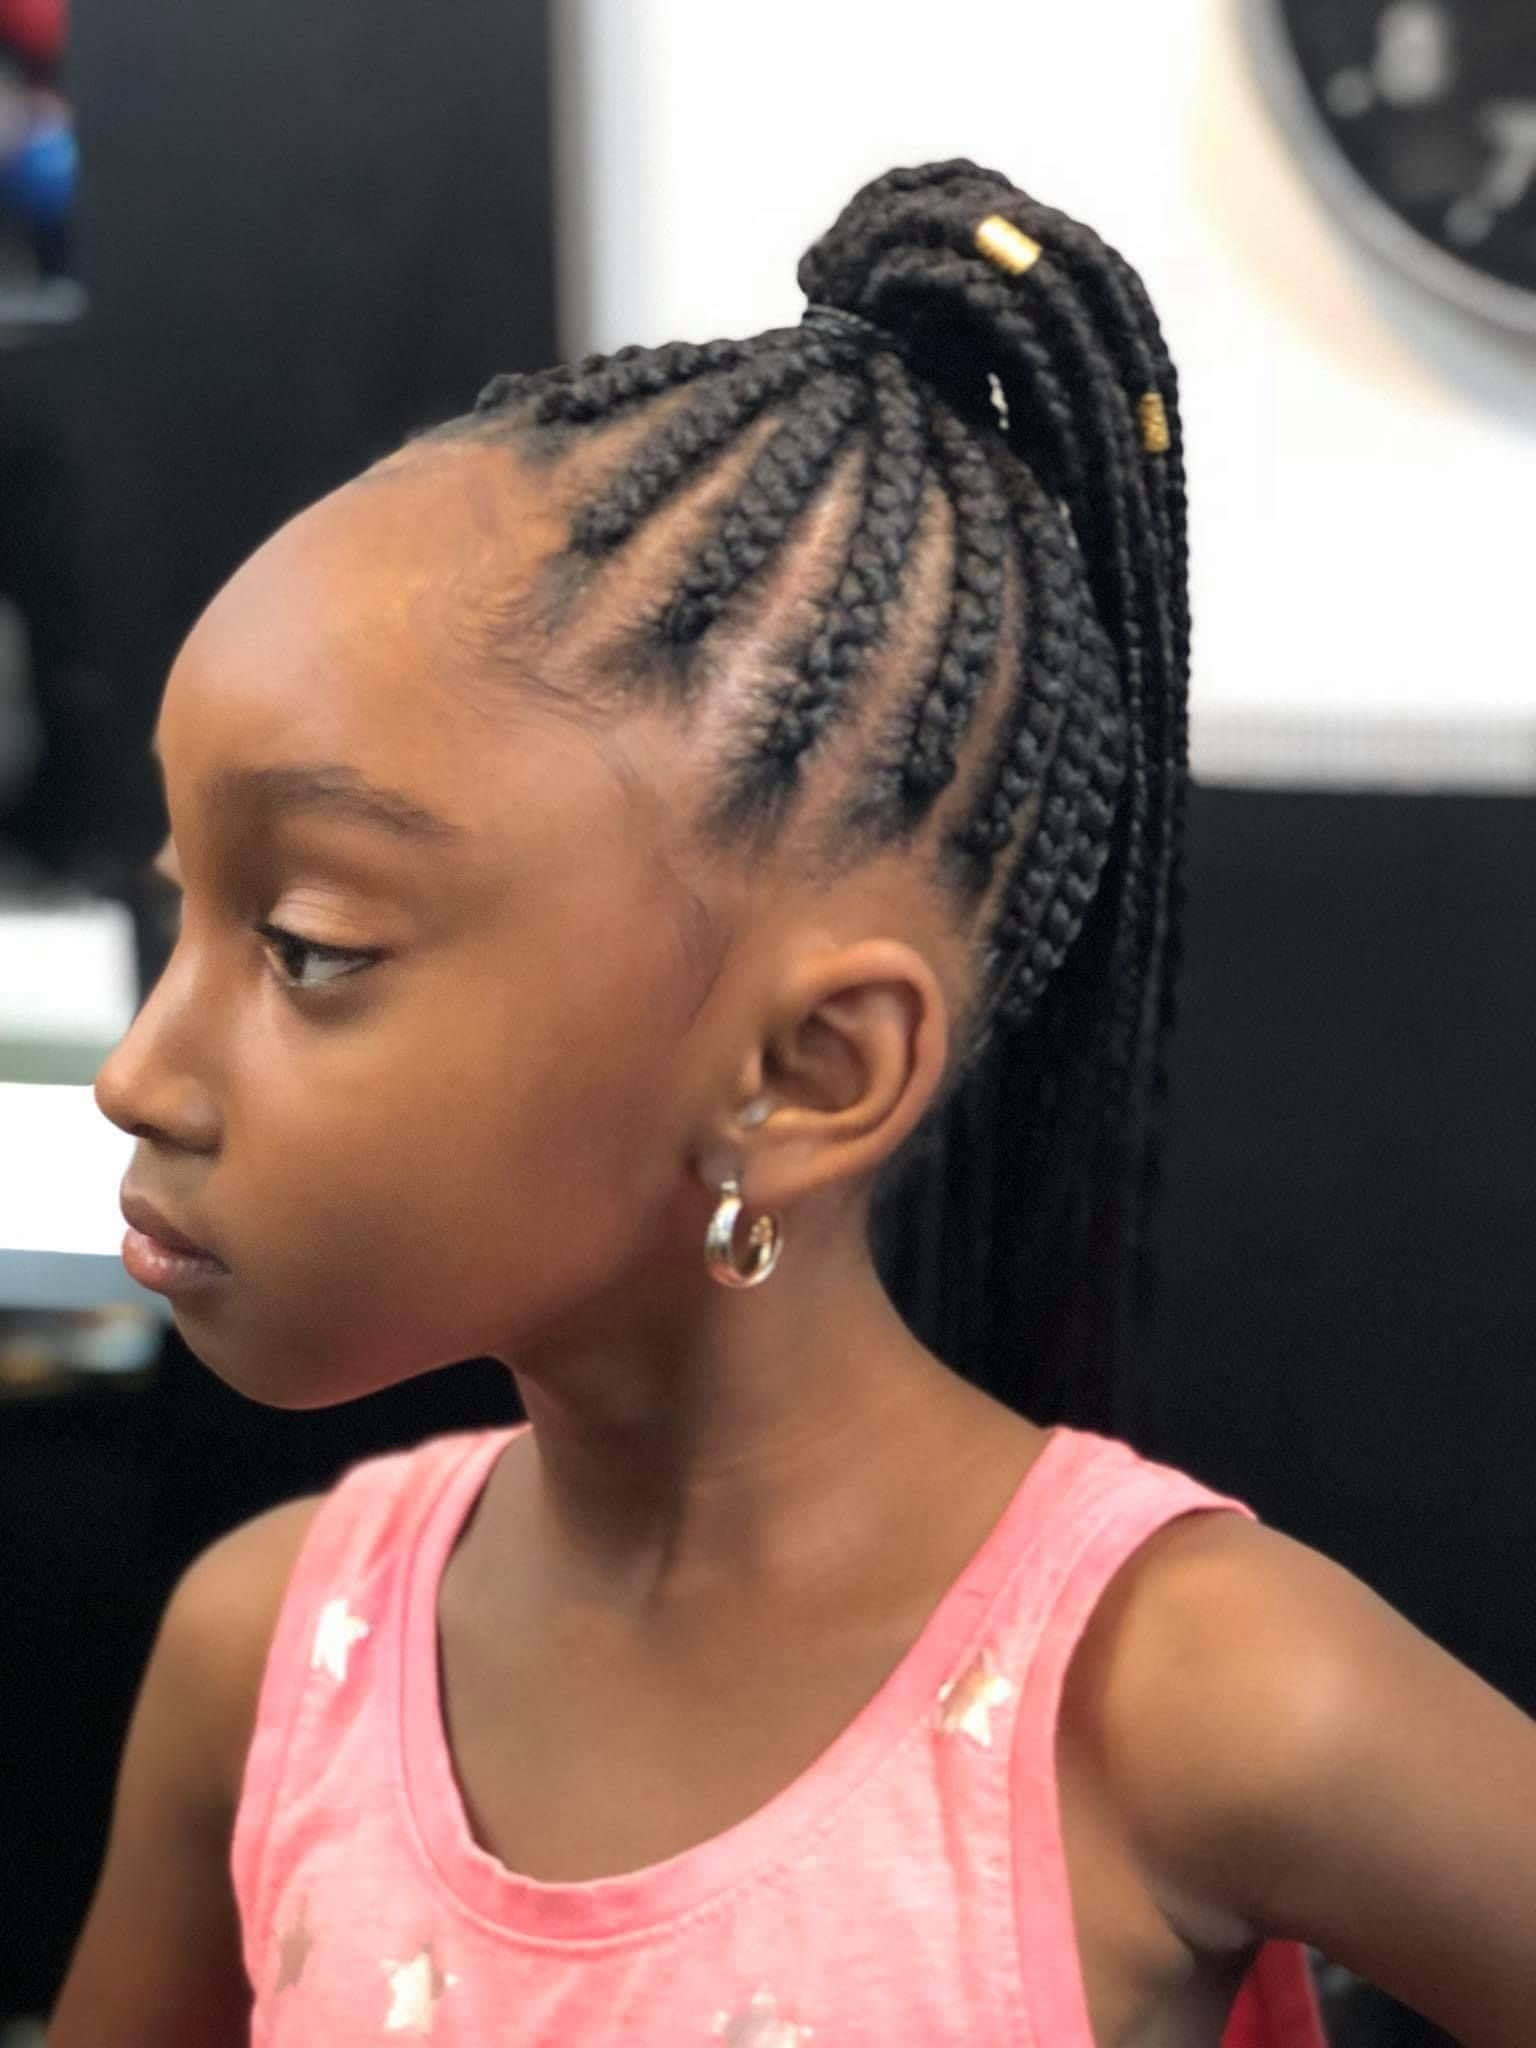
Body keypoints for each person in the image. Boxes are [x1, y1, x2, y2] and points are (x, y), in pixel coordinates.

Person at [51, 161, 1535, 2046]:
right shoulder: (266, 1664)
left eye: (313, 944)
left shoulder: (1193, 1702)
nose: (139, 1073)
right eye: (189, 910)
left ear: (805, 1073)